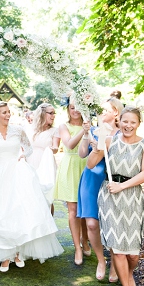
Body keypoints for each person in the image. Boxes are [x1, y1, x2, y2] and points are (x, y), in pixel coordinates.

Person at [0, 102, 63, 271]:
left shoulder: (18, 130)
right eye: (4, 112)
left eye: (9, 112)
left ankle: (18, 252)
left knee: (18, 212)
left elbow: (29, 149)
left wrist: (23, 155)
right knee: (1, 213)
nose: (8, 115)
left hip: (18, 174)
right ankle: (5, 255)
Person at [87, 106, 144, 286]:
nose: (128, 125)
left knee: (133, 252)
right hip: (109, 197)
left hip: (132, 197)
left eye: (133, 122)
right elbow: (90, 164)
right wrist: (97, 147)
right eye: (125, 121)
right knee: (117, 247)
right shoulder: (109, 140)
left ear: (138, 123)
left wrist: (122, 186)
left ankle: (129, 273)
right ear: (119, 121)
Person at [77, 96, 124, 281]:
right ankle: (100, 260)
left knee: (111, 224)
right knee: (91, 223)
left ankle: (114, 260)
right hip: (90, 179)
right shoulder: (94, 130)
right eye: (99, 110)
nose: (100, 113)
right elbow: (82, 154)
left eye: (105, 110)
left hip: (110, 180)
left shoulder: (122, 133)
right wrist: (86, 135)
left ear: (115, 112)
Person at [53, 97, 92, 265]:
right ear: (68, 109)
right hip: (70, 165)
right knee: (73, 209)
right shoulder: (63, 126)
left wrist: (89, 130)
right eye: (72, 107)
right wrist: (83, 132)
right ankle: (77, 247)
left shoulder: (90, 124)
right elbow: (68, 145)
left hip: (87, 165)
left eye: (78, 107)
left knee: (86, 209)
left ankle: (85, 240)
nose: (75, 110)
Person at [28, 102, 60, 211]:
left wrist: (52, 149)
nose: (53, 116)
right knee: (32, 196)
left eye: (54, 113)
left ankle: (48, 224)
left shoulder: (55, 130)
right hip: (31, 163)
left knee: (46, 197)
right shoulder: (31, 129)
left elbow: (55, 148)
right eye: (50, 113)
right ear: (42, 114)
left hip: (46, 164)